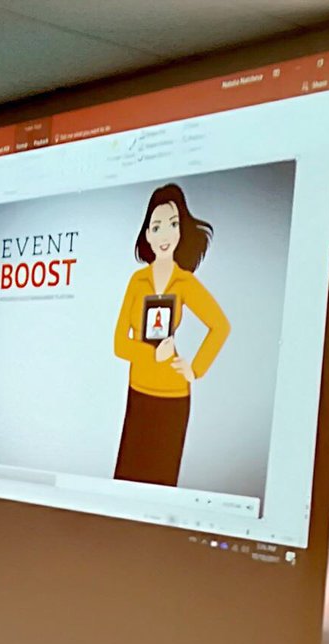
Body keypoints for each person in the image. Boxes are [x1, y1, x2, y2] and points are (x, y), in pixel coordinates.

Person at [113, 183, 230, 486]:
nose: (165, 235)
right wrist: (152, 354)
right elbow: (119, 344)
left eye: (173, 224)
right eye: (157, 227)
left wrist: (195, 368)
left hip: (174, 397)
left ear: (181, 231)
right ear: (147, 235)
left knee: (162, 482)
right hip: (139, 391)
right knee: (127, 479)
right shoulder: (137, 281)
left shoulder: (185, 283)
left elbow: (220, 326)